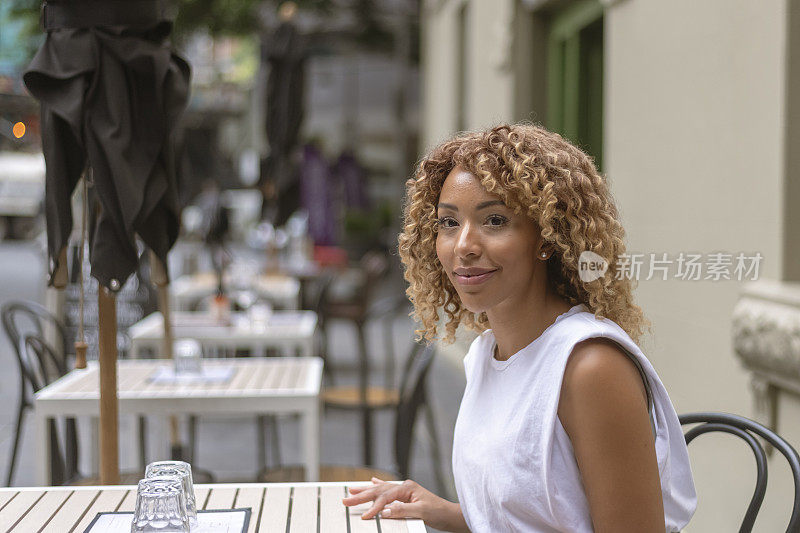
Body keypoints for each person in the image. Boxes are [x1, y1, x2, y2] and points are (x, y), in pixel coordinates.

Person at [342, 124, 696, 532]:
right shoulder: (487, 352)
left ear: (546, 236)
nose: (464, 245)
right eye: (448, 223)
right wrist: (440, 509)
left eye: (494, 220)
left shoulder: (590, 367)